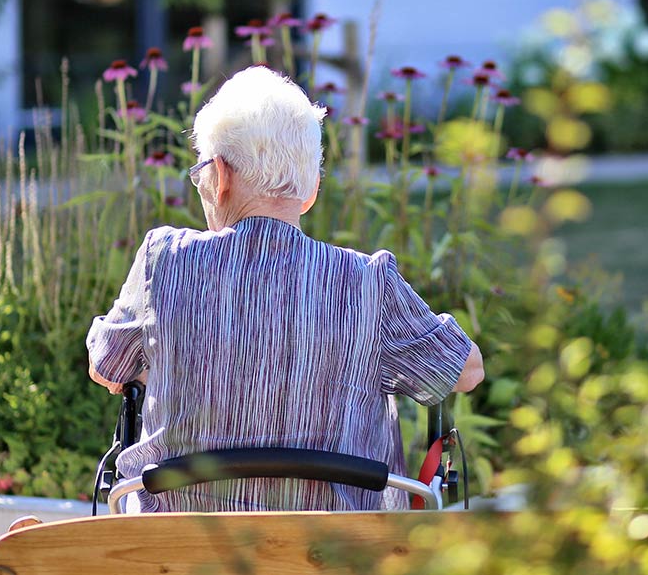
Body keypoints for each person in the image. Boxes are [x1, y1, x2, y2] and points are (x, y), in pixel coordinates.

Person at [86, 66, 483, 513]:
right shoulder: (368, 284)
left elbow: (108, 366)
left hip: (179, 555)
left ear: (221, 177)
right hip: (334, 557)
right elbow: (466, 371)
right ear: (310, 190)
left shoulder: (165, 259)